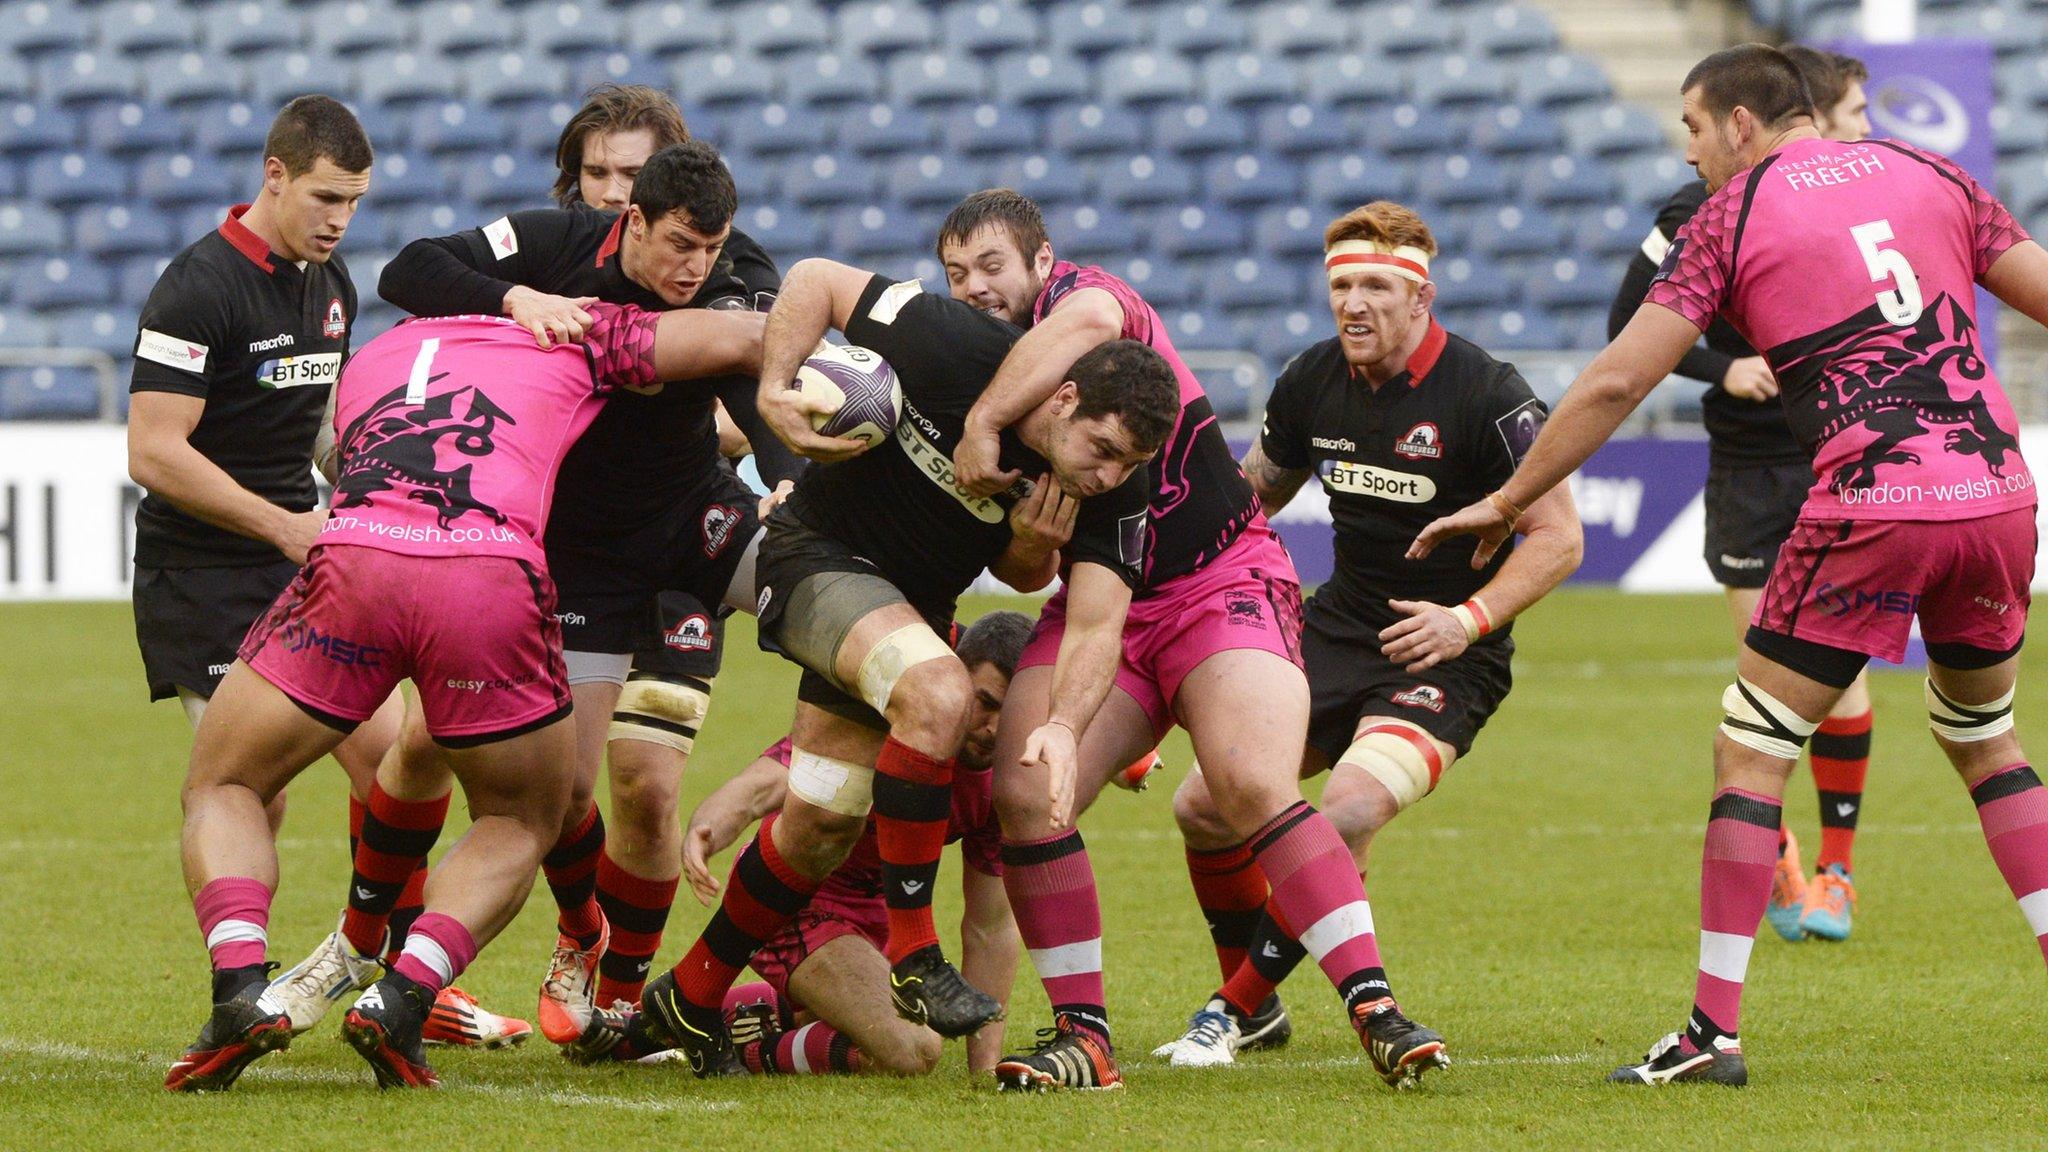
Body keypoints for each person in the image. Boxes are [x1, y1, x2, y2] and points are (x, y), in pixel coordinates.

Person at [1414, 43, 2046, 1087]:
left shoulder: (1728, 214)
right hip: (1994, 492)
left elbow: (1618, 379)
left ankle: (1709, 1035)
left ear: (1741, 125)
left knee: (1750, 750)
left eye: (1693, 127)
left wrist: (1509, 495)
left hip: (1870, 500)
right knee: (1984, 740)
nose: (1690, 149)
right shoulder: (1931, 174)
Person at [163, 299, 766, 1091]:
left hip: (358, 556)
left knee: (228, 780)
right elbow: (745, 336)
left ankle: (241, 983)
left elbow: (343, 458)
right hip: (486, 572)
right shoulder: (573, 335)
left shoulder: (378, 350)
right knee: (521, 818)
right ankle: (408, 994)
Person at [600, 255, 1178, 1078]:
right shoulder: (956, 350)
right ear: (1063, 397)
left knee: (819, 827)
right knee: (942, 693)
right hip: (815, 558)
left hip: (904, 613)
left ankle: (689, 999)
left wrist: (1059, 719)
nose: (1109, 475)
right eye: (1104, 448)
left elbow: (1091, 624)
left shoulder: (1113, 489)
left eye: (1128, 464)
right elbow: (816, 280)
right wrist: (771, 390)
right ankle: (913, 953)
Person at [937, 189, 1444, 1092]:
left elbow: (1096, 315)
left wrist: (981, 423)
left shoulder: (1080, 305)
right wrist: (1033, 539)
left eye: (992, 267)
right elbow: (1020, 573)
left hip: (1221, 578)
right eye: (954, 274)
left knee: (1249, 782)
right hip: (1104, 603)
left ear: (1041, 264)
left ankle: (1376, 1007)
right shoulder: (981, 371)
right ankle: (1085, 1037)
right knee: (1024, 793)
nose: (974, 288)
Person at [1154, 201, 1582, 1068]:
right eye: (1341, 285)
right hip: (1336, 625)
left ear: (1421, 297)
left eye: (1377, 286)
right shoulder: (1313, 379)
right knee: (1203, 807)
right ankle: (1255, 999)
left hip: (1446, 650)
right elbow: (1244, 505)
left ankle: (1229, 1011)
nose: (1354, 303)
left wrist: (1467, 619)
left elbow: (1561, 537)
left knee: (1347, 809)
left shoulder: (1489, 396)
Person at [373, 140, 776, 1040]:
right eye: (677, 244)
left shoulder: (738, 270)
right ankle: (572, 938)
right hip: (579, 558)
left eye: (707, 248)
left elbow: (761, 382)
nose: (694, 266)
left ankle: (631, 1001)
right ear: (629, 217)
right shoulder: (558, 246)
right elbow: (408, 267)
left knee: (649, 785)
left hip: (692, 543)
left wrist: (793, 477)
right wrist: (515, 298)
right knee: (561, 799)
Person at [1608, 45, 1876, 944]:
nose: (1866, 131)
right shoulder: (1694, 210)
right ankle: (1783, 857)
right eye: (1856, 115)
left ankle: (1835, 873)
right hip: (1751, 474)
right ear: (1810, 115)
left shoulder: (1860, 199)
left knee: (1841, 676)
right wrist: (1728, 369)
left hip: (1838, 464)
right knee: (1766, 681)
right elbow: (1626, 328)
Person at [578, 612, 1033, 1077]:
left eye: (1010, 713)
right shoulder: (896, 718)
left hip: (877, 920)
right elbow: (778, 774)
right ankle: (738, 1048)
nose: (995, 728)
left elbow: (989, 928)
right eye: (985, 702)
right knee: (913, 1050)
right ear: (954, 676)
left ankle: (660, 1019)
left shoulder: (1002, 787)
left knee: (853, 1016)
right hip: (792, 902)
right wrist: (712, 822)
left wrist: (986, 1070)